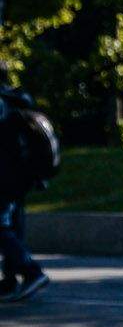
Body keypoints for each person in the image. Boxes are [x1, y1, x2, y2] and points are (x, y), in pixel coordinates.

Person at [0, 80, 54, 303]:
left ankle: (31, 271)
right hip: (21, 175)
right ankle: (10, 280)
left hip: (5, 175)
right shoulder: (14, 98)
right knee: (12, 223)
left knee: (1, 228)